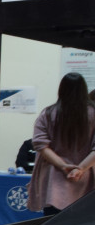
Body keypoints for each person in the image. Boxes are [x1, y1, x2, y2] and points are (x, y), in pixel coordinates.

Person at [27, 73, 95, 215]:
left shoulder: (48, 113)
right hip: (86, 180)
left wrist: (63, 166)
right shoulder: (93, 113)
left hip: (54, 181)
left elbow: (40, 145)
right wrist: (81, 168)